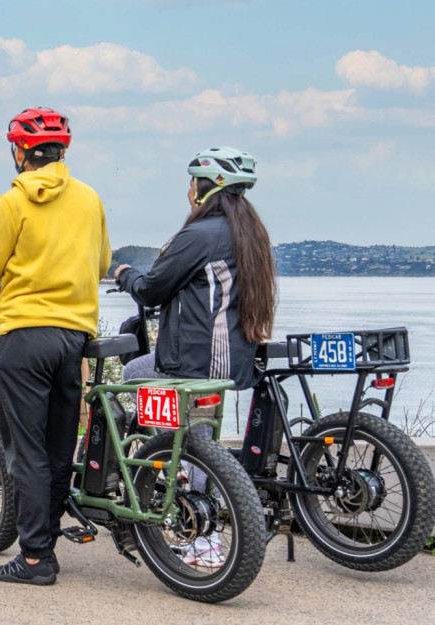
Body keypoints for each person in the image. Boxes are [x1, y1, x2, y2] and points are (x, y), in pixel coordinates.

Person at [0, 107, 110, 585]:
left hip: (24, 339)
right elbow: (101, 264)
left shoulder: (12, 202)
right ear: (61, 152)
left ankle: (34, 559)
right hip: (74, 339)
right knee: (58, 448)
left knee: (26, 451)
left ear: (20, 152)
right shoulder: (90, 199)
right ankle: (46, 541)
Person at [114, 146, 276, 568]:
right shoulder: (249, 233)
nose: (188, 191)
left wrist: (124, 274)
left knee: (187, 428)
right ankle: (169, 458)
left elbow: (152, 289)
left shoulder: (201, 234)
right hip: (235, 358)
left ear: (204, 188)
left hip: (197, 363)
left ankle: (202, 535)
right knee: (142, 378)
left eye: (191, 183)